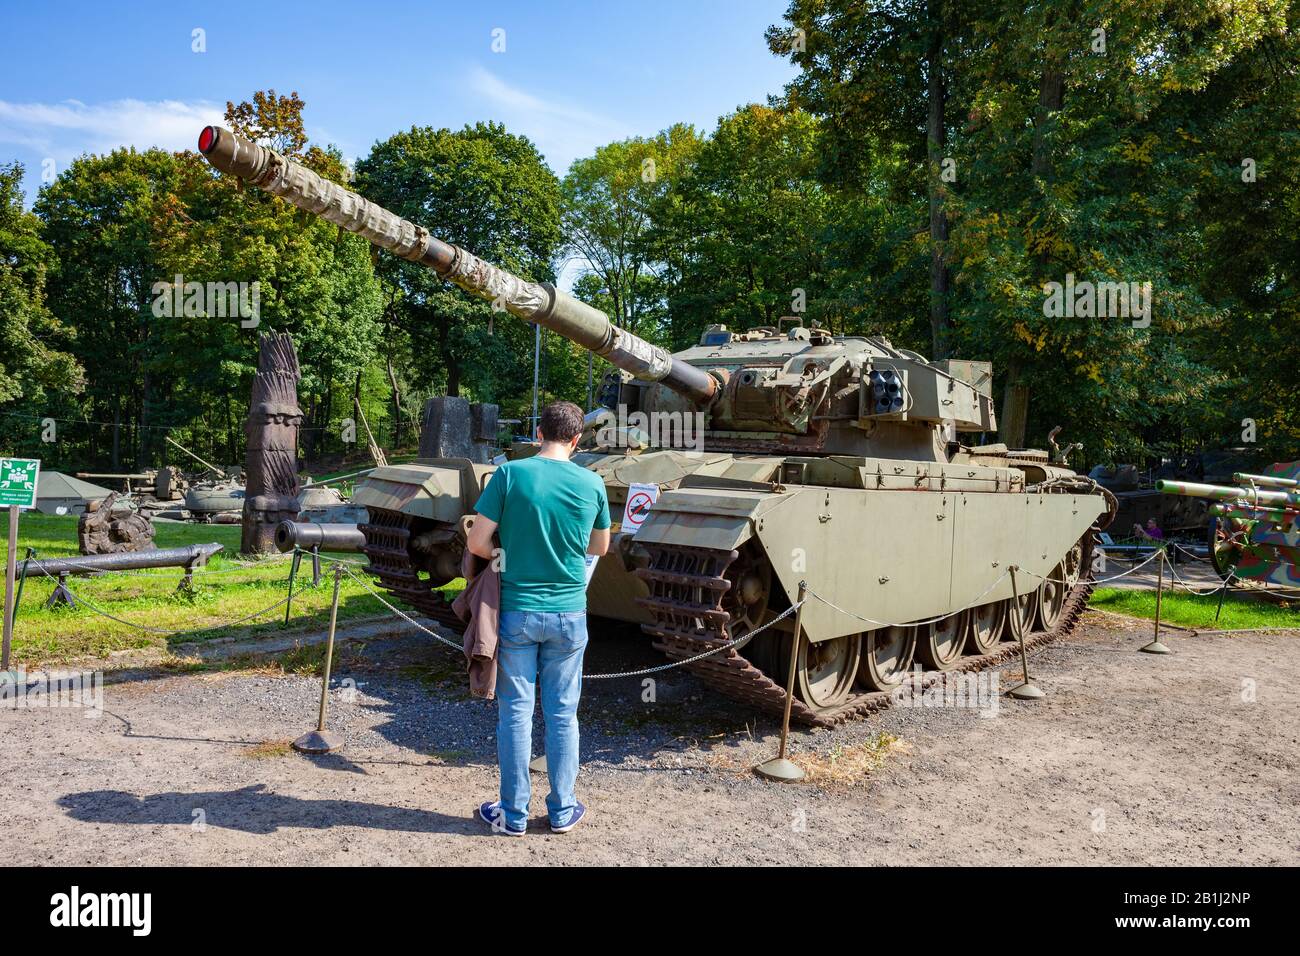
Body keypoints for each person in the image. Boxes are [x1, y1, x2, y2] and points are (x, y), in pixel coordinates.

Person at [466, 401, 610, 836]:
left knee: (515, 713)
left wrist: (504, 555)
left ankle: (512, 816)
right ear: (577, 439)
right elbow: (600, 548)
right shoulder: (592, 482)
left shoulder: (511, 474)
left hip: (517, 612)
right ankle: (563, 811)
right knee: (564, 714)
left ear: (538, 432)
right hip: (569, 613)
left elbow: (476, 541)